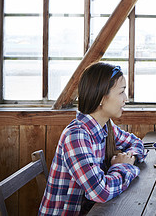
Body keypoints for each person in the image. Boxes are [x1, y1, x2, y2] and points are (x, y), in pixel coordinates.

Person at [39, 62, 147, 215]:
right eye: (121, 92)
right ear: (102, 98)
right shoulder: (76, 136)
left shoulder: (105, 126)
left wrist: (130, 157)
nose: (126, 99)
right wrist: (124, 166)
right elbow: (100, 192)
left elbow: (136, 143)